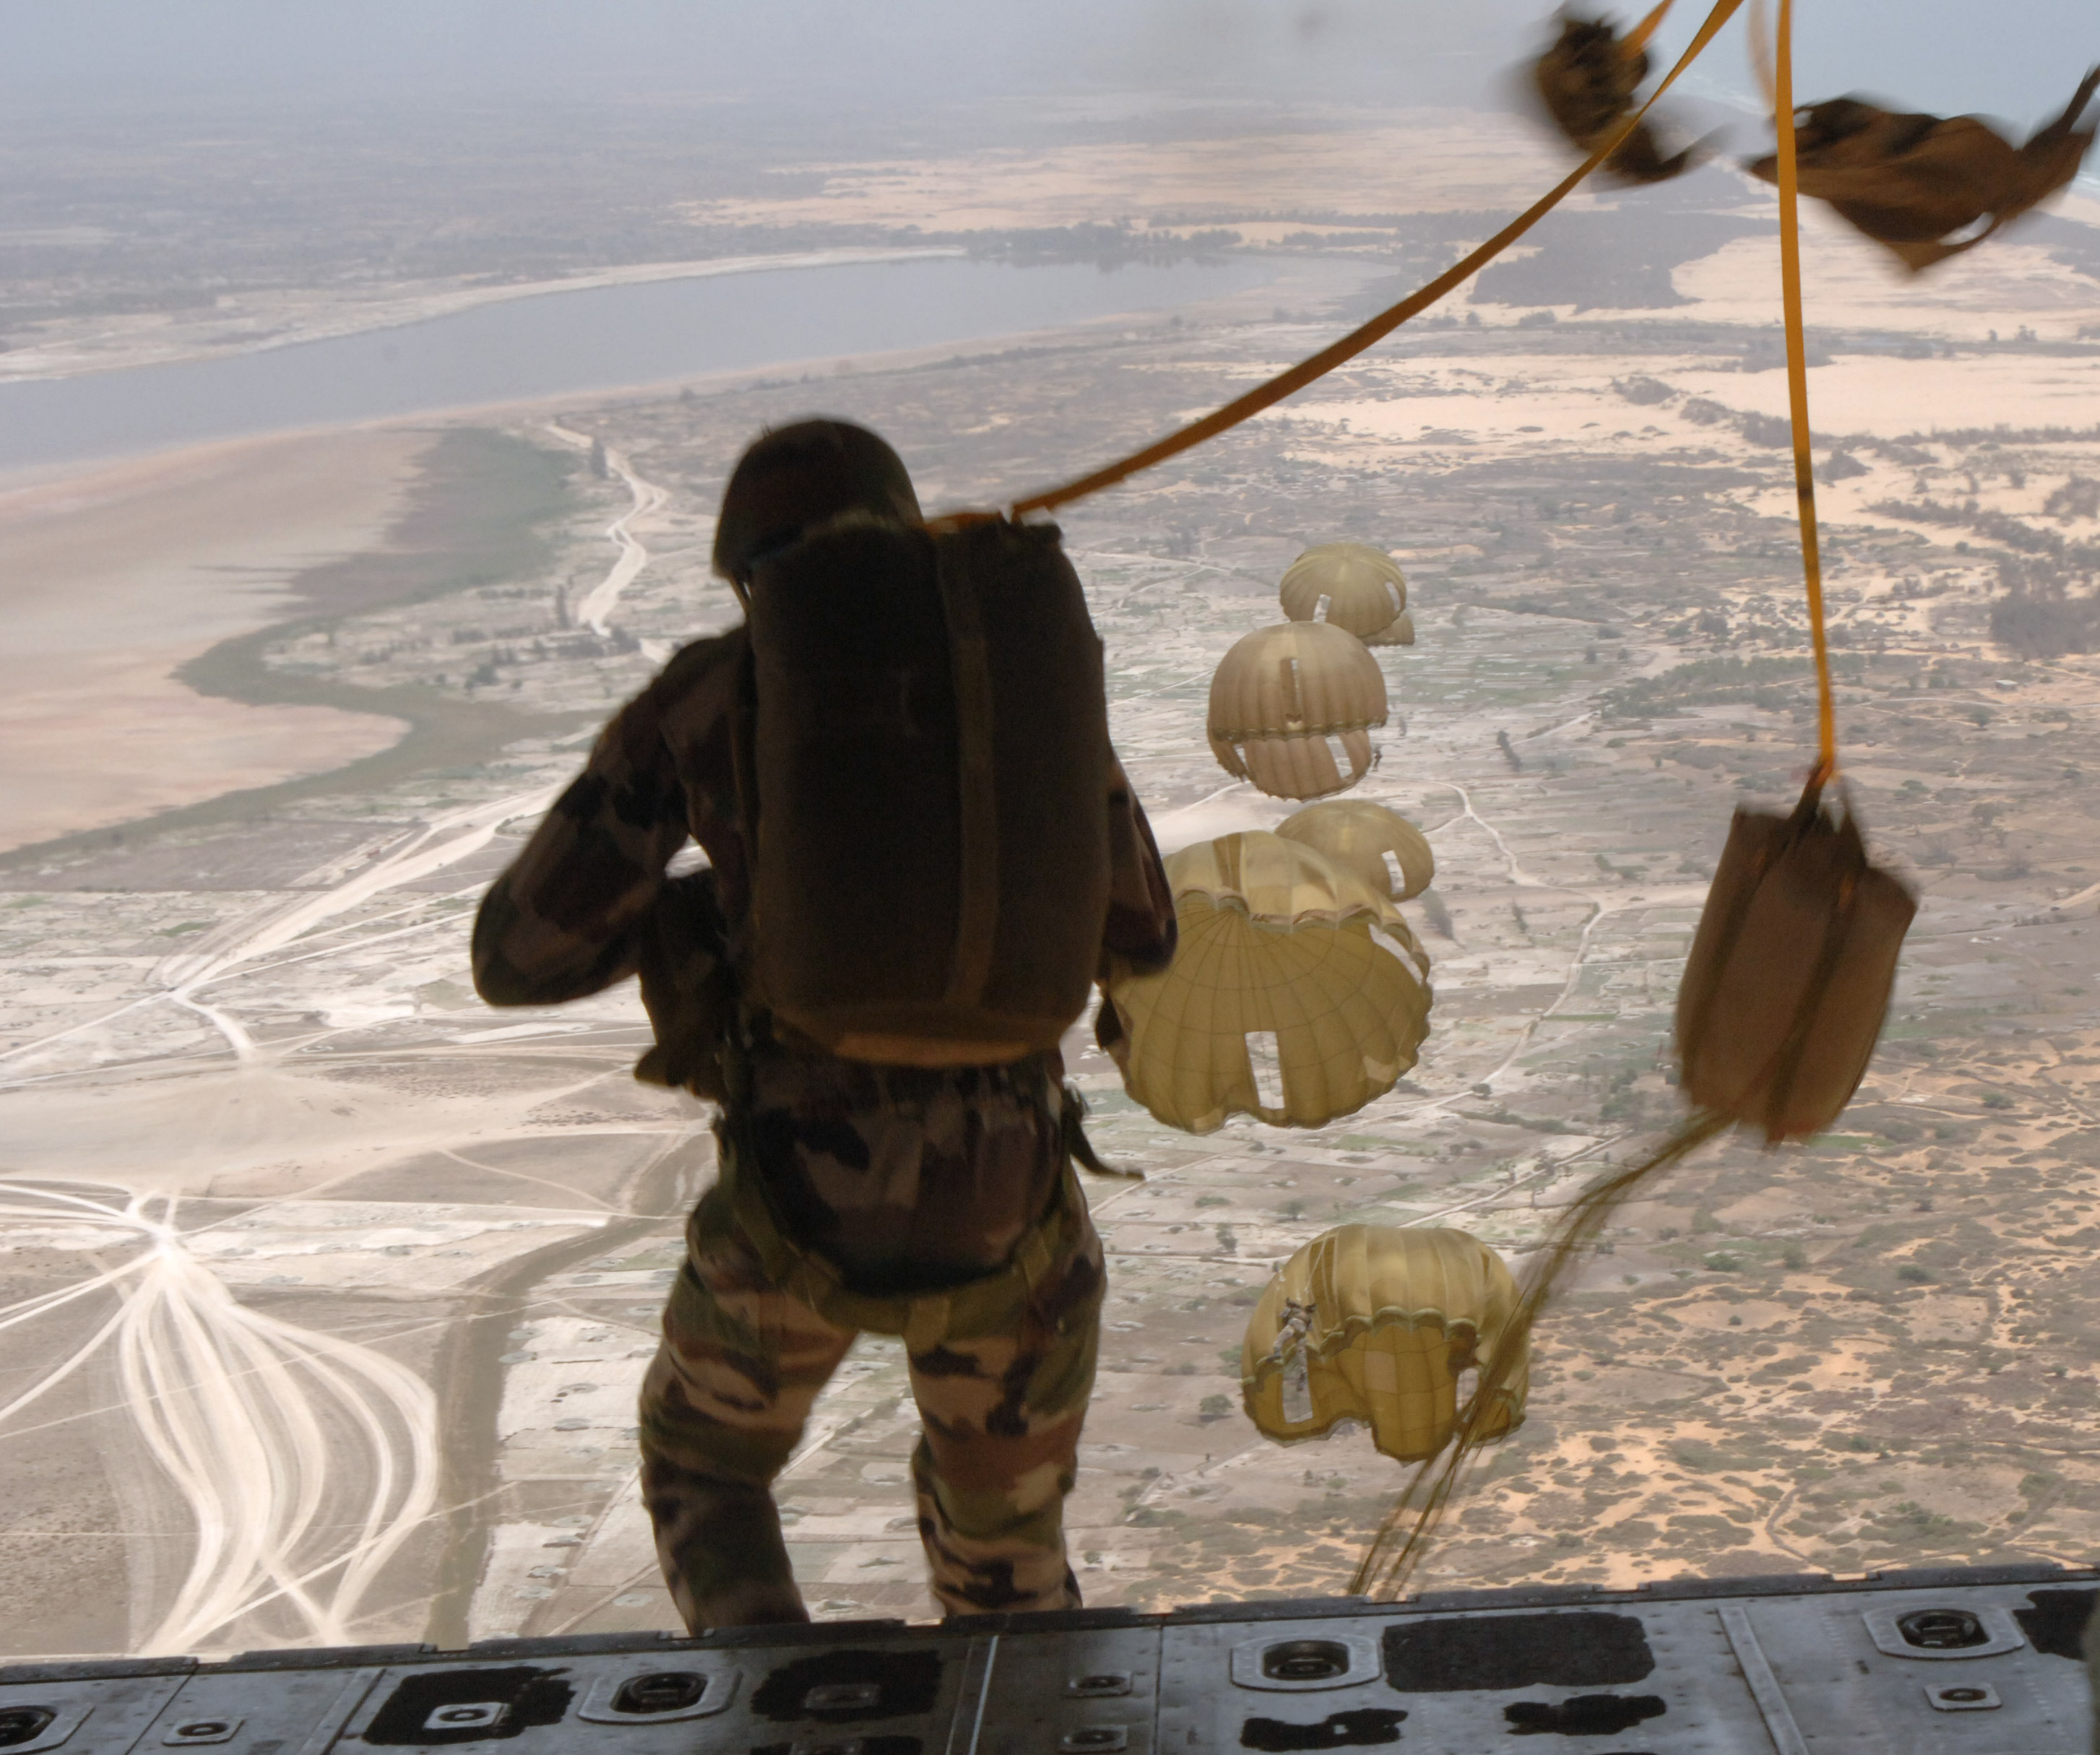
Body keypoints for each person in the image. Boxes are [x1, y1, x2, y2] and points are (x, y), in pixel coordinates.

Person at [471, 418, 1176, 1629]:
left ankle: (773, 1704)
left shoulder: (712, 695)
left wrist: (698, 912)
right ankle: (1028, 1713)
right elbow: (1145, 934)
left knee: (705, 1466)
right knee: (1004, 1548)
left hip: (795, 1203)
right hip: (1012, 1204)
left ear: (757, 573)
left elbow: (519, 960)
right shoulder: (1020, 709)